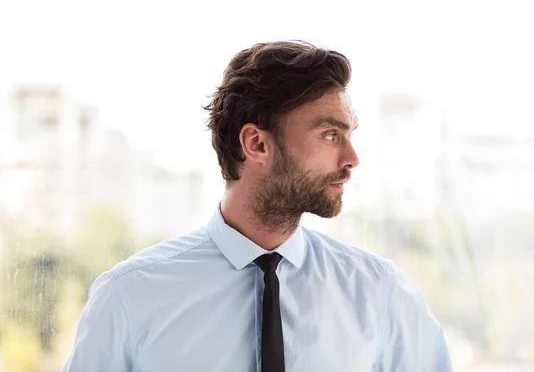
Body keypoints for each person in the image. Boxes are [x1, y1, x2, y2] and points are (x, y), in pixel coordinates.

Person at [62, 40, 453, 371]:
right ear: (257, 144)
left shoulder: (381, 293)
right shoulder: (130, 296)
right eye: (331, 135)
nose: (352, 158)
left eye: (348, 135)